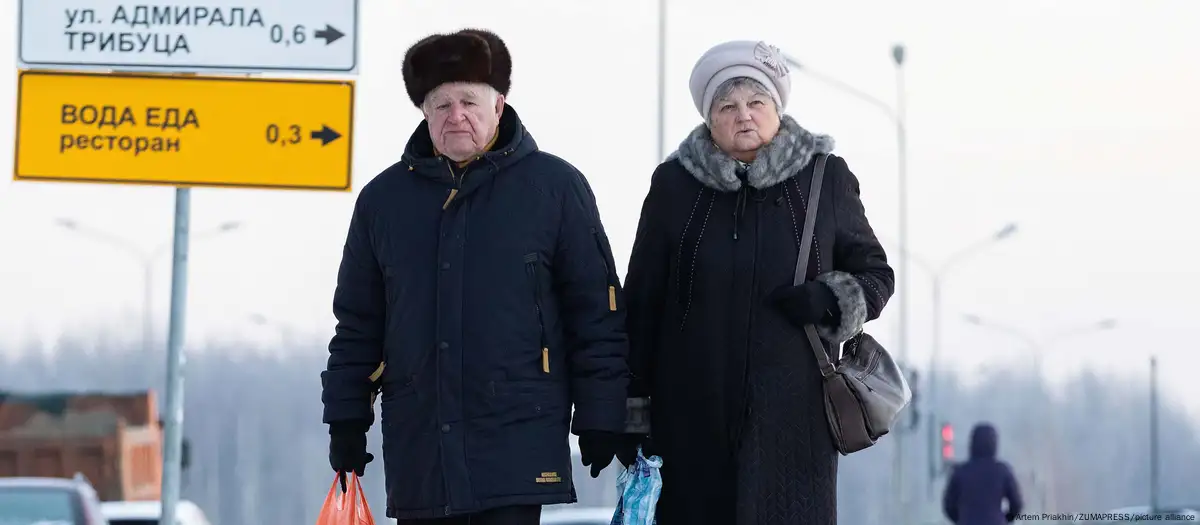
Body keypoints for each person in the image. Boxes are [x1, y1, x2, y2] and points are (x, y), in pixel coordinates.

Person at [319, 28, 638, 525]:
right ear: (424, 113)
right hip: (421, 444)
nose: (456, 115)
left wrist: (602, 413)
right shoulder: (383, 202)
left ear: (500, 104)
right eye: (441, 104)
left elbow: (596, 313)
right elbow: (358, 323)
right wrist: (345, 418)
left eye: (469, 100)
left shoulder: (554, 189)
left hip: (517, 439)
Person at [621, 40, 896, 525]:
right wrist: (629, 415)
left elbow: (876, 274)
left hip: (793, 424)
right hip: (689, 421)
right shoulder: (673, 186)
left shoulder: (823, 179)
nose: (743, 116)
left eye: (756, 102)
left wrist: (829, 299)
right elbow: (641, 305)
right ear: (709, 119)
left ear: (777, 109)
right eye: (727, 106)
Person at [942, 422, 1024, 525]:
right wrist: (1004, 519)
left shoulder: (960, 471)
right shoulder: (1002, 470)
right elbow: (1017, 504)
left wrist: (961, 519)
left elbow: (948, 505)